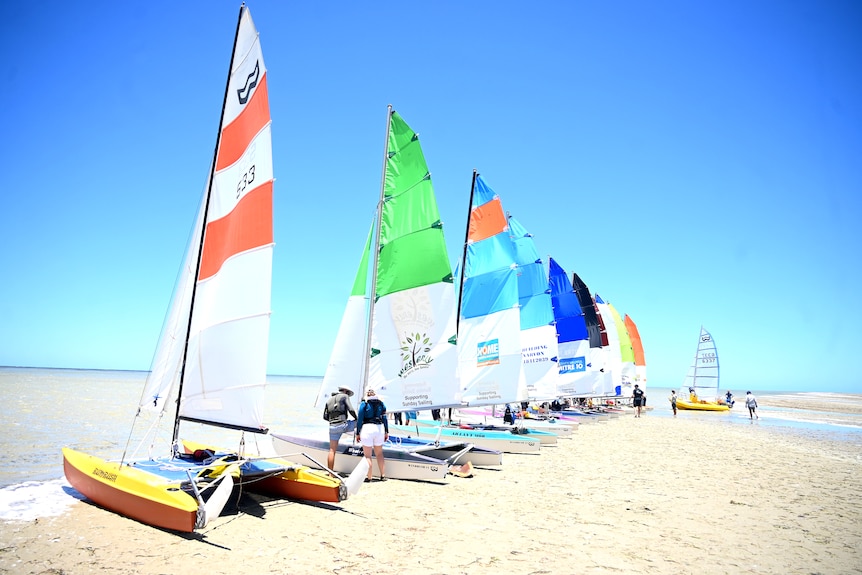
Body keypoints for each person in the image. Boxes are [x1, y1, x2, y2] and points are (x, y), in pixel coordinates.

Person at [356, 388, 388, 482]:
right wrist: (386, 431)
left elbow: (360, 419)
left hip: (368, 428)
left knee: (368, 456)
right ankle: (383, 475)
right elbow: (385, 418)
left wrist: (358, 432)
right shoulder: (381, 404)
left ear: (367, 394)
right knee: (379, 454)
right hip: (379, 428)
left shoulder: (364, 404)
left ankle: (369, 477)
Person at [322, 386, 357, 470]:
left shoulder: (329, 400)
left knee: (332, 450)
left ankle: (330, 473)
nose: (348, 395)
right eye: (348, 393)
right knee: (362, 422)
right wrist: (357, 419)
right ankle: (365, 443)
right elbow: (351, 410)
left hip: (332, 427)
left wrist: (333, 421)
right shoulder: (344, 396)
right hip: (343, 425)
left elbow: (325, 416)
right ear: (345, 391)